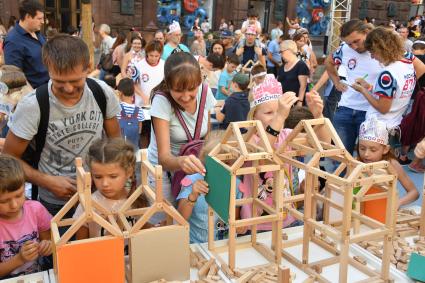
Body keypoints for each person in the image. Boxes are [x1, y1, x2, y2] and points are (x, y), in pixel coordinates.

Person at [2, 34, 121, 217]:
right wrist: (48, 181)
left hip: (98, 194)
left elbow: (116, 143)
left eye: (75, 81)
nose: (68, 89)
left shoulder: (101, 92)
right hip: (54, 203)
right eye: (59, 82)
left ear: (88, 67)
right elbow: (9, 159)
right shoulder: (32, 105)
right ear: (47, 68)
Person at [240, 76, 326, 231]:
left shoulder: (286, 135)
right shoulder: (248, 138)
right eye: (268, 112)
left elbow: (322, 143)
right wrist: (279, 116)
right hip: (257, 223)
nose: (275, 116)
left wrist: (318, 116)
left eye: (278, 111)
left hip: (287, 217)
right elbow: (263, 154)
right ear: (253, 116)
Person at [147, 52, 216, 214]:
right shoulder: (161, 101)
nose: (186, 97)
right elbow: (163, 158)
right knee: (167, 219)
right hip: (164, 172)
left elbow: (207, 138)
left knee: (191, 215)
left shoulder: (205, 92)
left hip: (192, 166)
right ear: (168, 85)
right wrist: (181, 162)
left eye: (192, 89)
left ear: (199, 82)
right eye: (178, 90)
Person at [325, 20, 382, 154]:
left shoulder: (382, 49)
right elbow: (329, 62)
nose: (354, 47)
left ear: (367, 33)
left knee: (368, 158)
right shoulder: (344, 49)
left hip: (372, 112)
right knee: (341, 157)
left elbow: (415, 67)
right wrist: (336, 82)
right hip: (345, 108)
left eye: (357, 41)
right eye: (350, 44)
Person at [74, 138, 149, 239]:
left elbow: (143, 230)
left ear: (129, 172)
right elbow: (80, 245)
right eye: (98, 177)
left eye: (113, 176)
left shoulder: (136, 199)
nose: (105, 184)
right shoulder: (87, 205)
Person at [176, 130, 242, 243]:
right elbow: (180, 218)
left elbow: (234, 218)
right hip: (195, 244)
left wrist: (240, 226)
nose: (223, 169)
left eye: (228, 163)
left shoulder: (236, 184)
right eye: (217, 164)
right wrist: (193, 195)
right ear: (205, 159)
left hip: (224, 244)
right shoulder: (191, 181)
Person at [351, 27, 415, 131]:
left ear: (381, 48)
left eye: (372, 52)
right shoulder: (408, 64)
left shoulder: (388, 73)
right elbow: (394, 94)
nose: (372, 57)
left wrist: (362, 91)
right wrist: (368, 87)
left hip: (378, 128)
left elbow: (383, 108)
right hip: (395, 123)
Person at [0, 155, 52, 278]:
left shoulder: (36, 210)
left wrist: (47, 245)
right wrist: (20, 259)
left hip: (40, 275)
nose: (14, 205)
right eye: (3, 201)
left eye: (19, 195)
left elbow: (49, 239)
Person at [357, 118, 419, 208]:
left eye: (373, 150)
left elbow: (414, 192)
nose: (366, 154)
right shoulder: (357, 162)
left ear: (385, 149)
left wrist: (398, 202)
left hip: (383, 211)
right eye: (362, 148)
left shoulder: (391, 164)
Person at [4, 0, 49, 89]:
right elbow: (16, 77)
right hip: (36, 93)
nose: (43, 22)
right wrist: (32, 96)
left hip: (50, 87)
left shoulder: (38, 33)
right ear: (28, 16)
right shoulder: (13, 41)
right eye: (39, 19)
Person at [132, 40, 165, 107]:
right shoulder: (138, 66)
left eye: (156, 56)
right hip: (141, 104)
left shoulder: (164, 65)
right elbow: (133, 84)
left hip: (158, 104)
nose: (153, 58)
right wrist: (143, 96)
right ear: (147, 53)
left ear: (160, 54)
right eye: (151, 55)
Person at [277, 40, 309, 106]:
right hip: (283, 103)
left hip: (295, 104)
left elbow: (303, 86)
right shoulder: (282, 66)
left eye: (281, 52)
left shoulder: (301, 65)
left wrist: (300, 102)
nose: (280, 54)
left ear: (289, 50)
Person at [116, 78, 144, 148]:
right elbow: (139, 131)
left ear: (120, 93)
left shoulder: (117, 109)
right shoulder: (139, 110)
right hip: (134, 147)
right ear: (134, 93)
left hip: (120, 147)